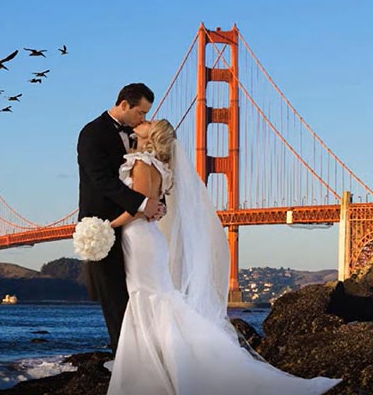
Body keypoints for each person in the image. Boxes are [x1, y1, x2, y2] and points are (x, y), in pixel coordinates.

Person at [106, 119, 342, 395]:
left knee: (148, 297)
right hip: (146, 238)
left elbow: (142, 206)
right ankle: (159, 370)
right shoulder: (158, 166)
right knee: (154, 298)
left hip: (141, 237)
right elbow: (154, 206)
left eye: (149, 122)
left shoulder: (143, 163)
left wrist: (105, 225)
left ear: (152, 135)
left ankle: (151, 377)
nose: (143, 122)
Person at [76, 83, 165, 355]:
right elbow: (100, 180)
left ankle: (140, 353)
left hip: (133, 225)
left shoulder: (140, 143)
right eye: (140, 113)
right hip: (101, 224)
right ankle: (123, 354)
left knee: (137, 291)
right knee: (112, 295)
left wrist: (157, 204)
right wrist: (143, 204)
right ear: (124, 105)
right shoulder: (92, 133)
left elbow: (149, 181)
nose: (144, 120)